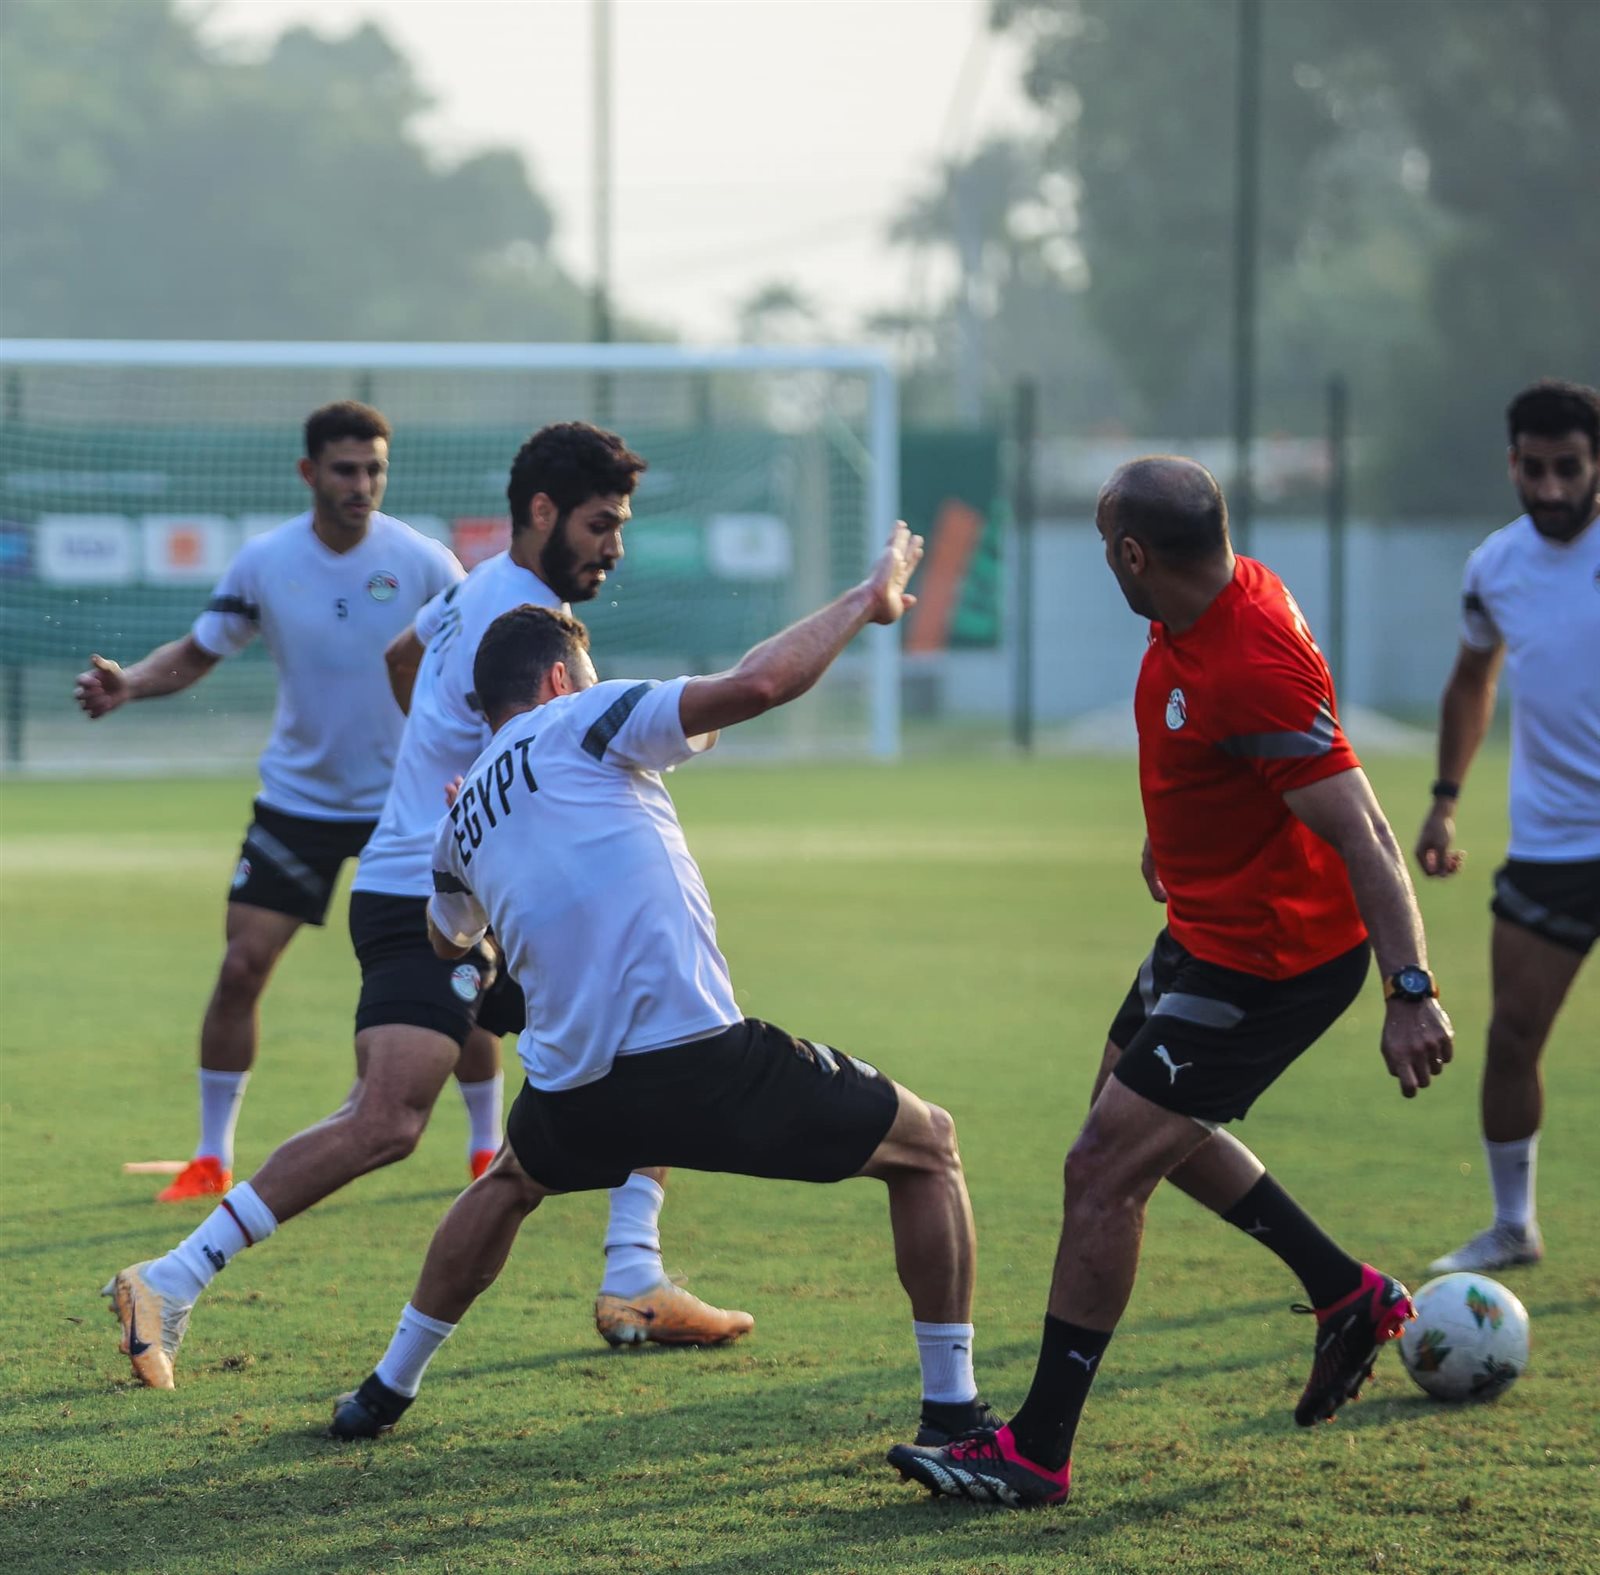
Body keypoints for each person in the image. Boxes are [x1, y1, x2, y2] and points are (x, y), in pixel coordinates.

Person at [103, 422, 750, 1389]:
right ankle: (168, 1277)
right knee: (387, 1118)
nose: (613, 546)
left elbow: (403, 655)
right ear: (543, 512)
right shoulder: (517, 615)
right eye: (600, 524)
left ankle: (634, 1274)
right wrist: (457, 797)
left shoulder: (475, 588)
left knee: (643, 1025)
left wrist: (450, 766)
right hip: (422, 891)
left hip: (455, 884)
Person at [326, 532, 992, 1454]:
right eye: (588, 670)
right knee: (929, 1147)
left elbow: (447, 941)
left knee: (511, 1181)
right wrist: (863, 601)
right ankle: (953, 1408)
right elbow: (760, 683)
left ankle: (383, 1389)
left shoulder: (463, 812)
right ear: (559, 679)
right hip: (702, 1065)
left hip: (573, 1092)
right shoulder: (588, 717)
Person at [890, 457, 1454, 1510]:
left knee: (1102, 1168)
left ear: (1135, 554)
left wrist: (1409, 989)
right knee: (1130, 1129)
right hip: (1204, 926)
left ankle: (1037, 1452)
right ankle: (1345, 1291)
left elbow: (1366, 831)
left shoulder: (1254, 657)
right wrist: (1180, 836)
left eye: (1107, 547)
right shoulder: (1204, 597)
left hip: (1270, 958)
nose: (1106, 564)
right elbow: (1216, 750)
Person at [73, 401, 480, 1203]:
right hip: (299, 804)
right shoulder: (266, 561)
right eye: (345, 469)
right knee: (240, 967)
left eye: (374, 469)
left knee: (457, 970)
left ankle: (484, 1148)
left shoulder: (426, 562)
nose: (361, 484)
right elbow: (198, 652)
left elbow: (480, 659)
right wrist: (131, 686)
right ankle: (211, 1157)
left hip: (409, 808)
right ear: (308, 472)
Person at [1416, 379, 1600, 1275]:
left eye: (1570, 468)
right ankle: (1513, 1225)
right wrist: (1445, 796)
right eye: (1535, 469)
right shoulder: (1494, 565)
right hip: (1552, 841)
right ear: (1512, 464)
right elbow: (1470, 680)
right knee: (1512, 1035)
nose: (1552, 488)